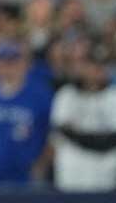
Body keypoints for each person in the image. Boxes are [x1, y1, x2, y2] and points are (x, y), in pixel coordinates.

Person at [0, 40, 53, 187]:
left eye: (13, 61)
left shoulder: (40, 94)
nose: (8, 68)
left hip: (29, 178)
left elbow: (53, 135)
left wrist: (41, 166)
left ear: (24, 64)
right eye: (3, 62)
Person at [50, 45, 116, 192]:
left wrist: (84, 135)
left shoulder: (113, 96)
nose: (95, 70)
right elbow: (64, 131)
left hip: (106, 168)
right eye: (91, 65)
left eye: (100, 66)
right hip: (73, 168)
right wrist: (93, 138)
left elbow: (112, 138)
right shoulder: (66, 95)